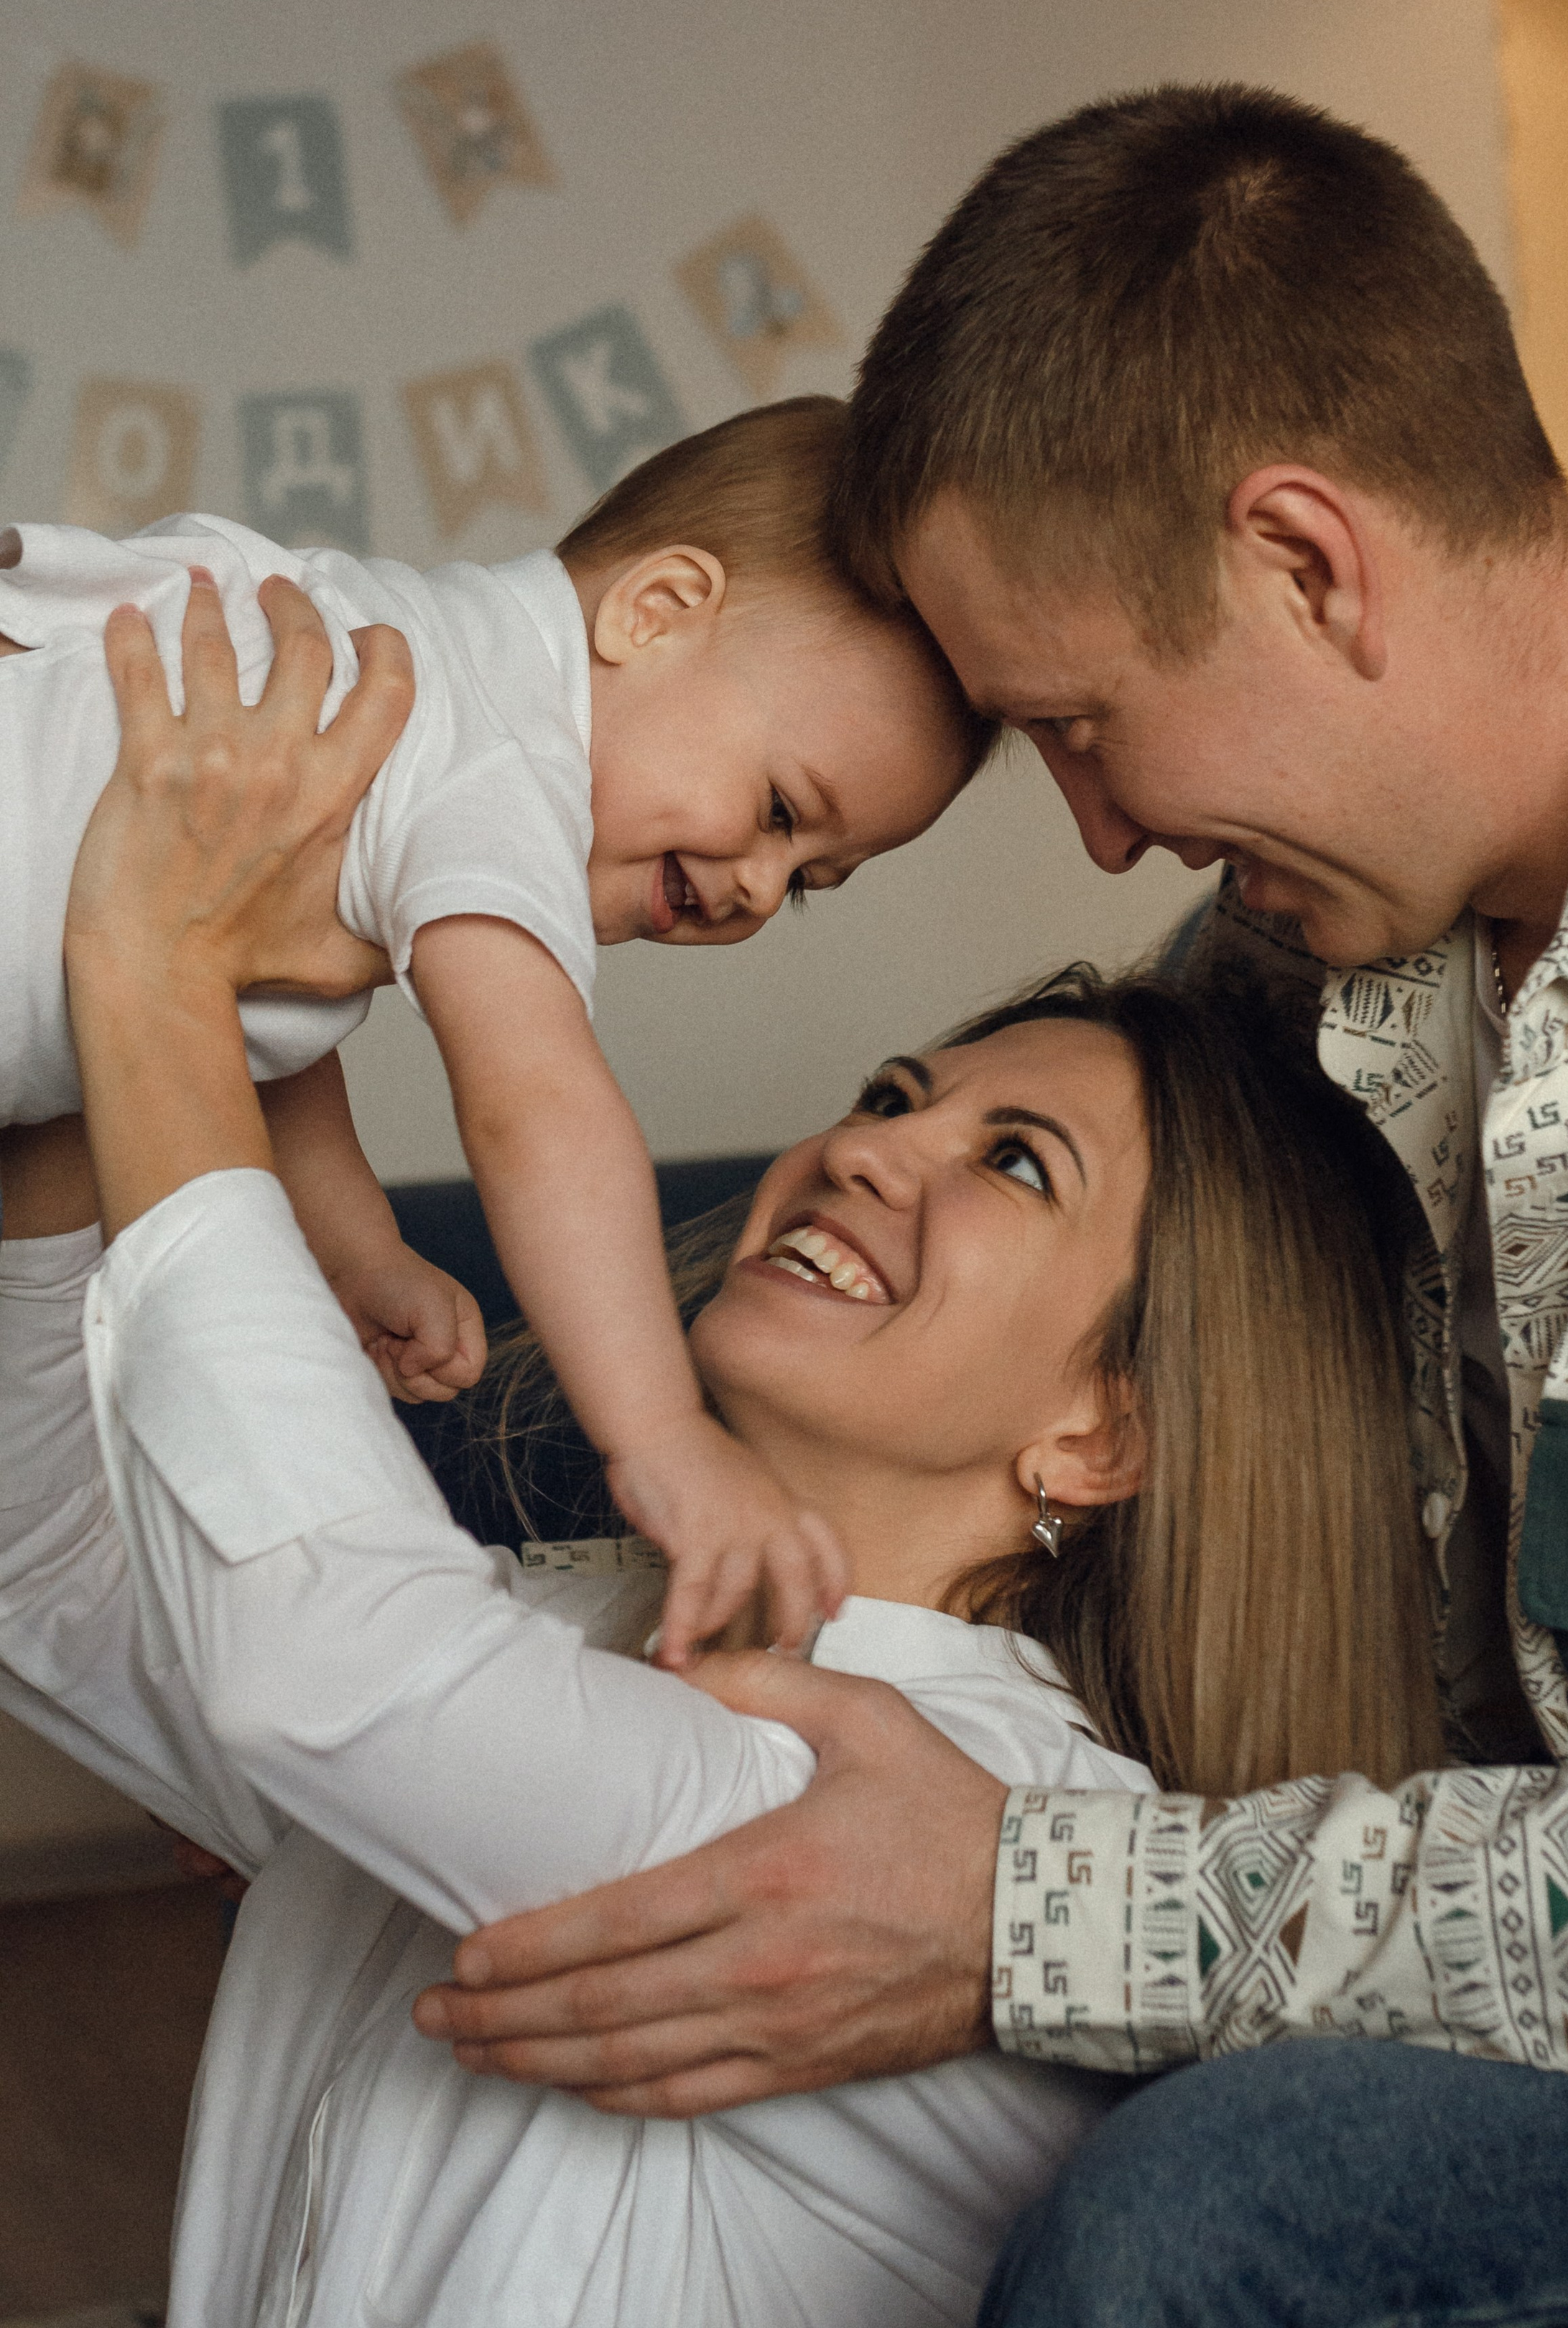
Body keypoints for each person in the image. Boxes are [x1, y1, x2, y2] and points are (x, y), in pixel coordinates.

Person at [415, 89, 1568, 2327]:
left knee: (1209, 2217)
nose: (1094, 836)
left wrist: (1043, 1916)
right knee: (467, 1372)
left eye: (1082, 726)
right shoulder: (1295, 961)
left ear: (1305, 564)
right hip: (1397, 1880)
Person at [0, 573, 1439, 2328]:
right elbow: (51, 1558)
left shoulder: (980, 1834)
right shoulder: (555, 1633)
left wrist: (153, 975)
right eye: (896, 1095)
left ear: (1104, 1427)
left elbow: (320, 1650)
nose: (864, 1150)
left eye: (1013, 1164)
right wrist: (106, 1001)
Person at [0, 396, 988, 1658]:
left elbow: (263, 999)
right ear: (659, 610)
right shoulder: (499, 755)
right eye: (784, 806)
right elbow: (537, 1103)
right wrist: (663, 1436)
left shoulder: (397, 658)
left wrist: (354, 1238)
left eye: (805, 878)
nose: (756, 881)